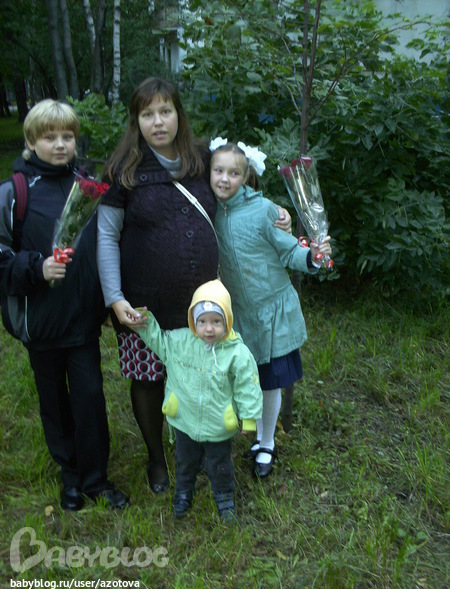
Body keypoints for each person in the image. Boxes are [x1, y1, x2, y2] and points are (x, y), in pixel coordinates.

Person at [97, 77, 291, 493]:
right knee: (148, 379)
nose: (158, 121)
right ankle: (156, 459)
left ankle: (202, 445)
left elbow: (237, 190)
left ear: (179, 115)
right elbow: (106, 236)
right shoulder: (123, 171)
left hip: (203, 306)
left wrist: (277, 212)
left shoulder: (201, 159)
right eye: (147, 114)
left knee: (205, 377)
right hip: (145, 305)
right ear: (136, 121)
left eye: (165, 111)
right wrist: (114, 297)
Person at [0, 99, 128, 511]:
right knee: (54, 402)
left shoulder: (88, 187)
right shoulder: (14, 193)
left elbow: (102, 247)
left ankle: (95, 479)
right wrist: (37, 268)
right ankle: (70, 477)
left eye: (67, 136)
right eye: (49, 137)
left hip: (81, 320)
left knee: (90, 398)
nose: (60, 144)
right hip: (40, 322)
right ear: (31, 141)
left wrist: (105, 299)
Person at [209, 140, 333, 478]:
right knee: (247, 378)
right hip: (238, 315)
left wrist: (312, 257)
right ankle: (250, 435)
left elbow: (289, 251)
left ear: (246, 176)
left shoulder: (264, 210)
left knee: (270, 381)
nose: (225, 179)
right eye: (218, 171)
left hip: (272, 311)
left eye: (234, 173)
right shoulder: (209, 211)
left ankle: (267, 443)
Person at [128, 279, 262, 522]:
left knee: (220, 465)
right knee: (185, 461)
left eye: (216, 322)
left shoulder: (236, 354)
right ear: (193, 322)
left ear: (227, 321)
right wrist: (144, 322)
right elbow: (159, 341)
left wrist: (249, 418)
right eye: (202, 322)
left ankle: (224, 497)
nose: (209, 329)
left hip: (218, 425)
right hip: (185, 421)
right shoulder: (179, 343)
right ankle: (183, 492)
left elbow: (248, 387)